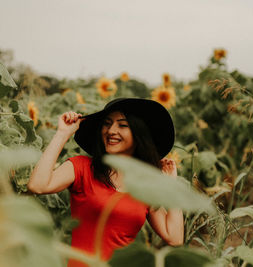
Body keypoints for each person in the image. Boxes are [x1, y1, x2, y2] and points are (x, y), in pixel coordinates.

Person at [28, 98, 184, 266]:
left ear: (138, 135)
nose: (111, 130)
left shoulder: (143, 187)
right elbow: (37, 185)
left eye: (122, 125)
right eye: (107, 124)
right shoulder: (82, 167)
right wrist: (62, 134)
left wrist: (172, 185)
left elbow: (174, 238)